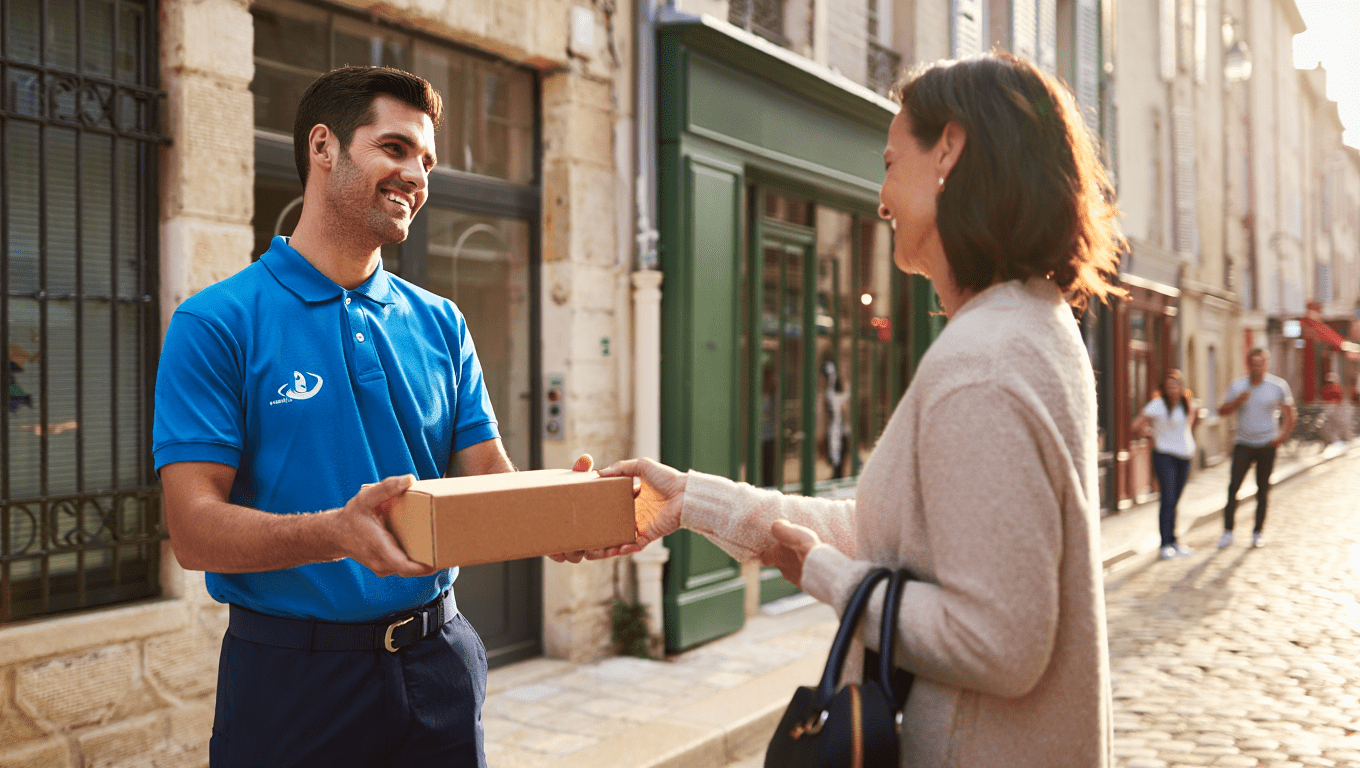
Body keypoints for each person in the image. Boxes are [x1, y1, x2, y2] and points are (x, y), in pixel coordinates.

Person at [567, 53, 1123, 767]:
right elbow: (888, 536)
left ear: (948, 150)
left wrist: (826, 576)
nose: (882, 198)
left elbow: (1000, 642)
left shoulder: (984, 361)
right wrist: (692, 501)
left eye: (892, 162)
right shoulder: (1027, 326)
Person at [153, 66, 588, 767]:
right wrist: (335, 533)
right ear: (323, 148)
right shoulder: (217, 322)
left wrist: (560, 512)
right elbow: (194, 533)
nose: (416, 174)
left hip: (438, 663)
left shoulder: (441, 322)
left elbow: (485, 478)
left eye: (425, 160)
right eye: (394, 147)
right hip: (292, 680)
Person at [1217, 348, 1296, 549]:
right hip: (1243, 443)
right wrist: (1237, 401)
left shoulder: (1277, 386)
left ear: (1266, 364)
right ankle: (1228, 532)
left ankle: (1257, 532)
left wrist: (1281, 437)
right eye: (1253, 363)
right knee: (1233, 487)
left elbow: (1290, 413)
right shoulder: (1238, 386)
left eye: (1260, 363)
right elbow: (1222, 412)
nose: (1256, 367)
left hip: (1266, 445)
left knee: (1263, 490)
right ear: (1248, 364)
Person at [1132, 370, 1198, 560]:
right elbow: (1137, 426)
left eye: (1176, 385)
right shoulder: (1158, 405)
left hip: (1184, 458)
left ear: (1181, 387)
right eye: (1169, 386)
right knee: (1167, 500)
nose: (1173, 389)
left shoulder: (1187, 405)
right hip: (1165, 457)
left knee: (1175, 501)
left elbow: (1188, 427)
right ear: (1164, 388)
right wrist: (1151, 434)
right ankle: (1165, 544)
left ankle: (1175, 541)